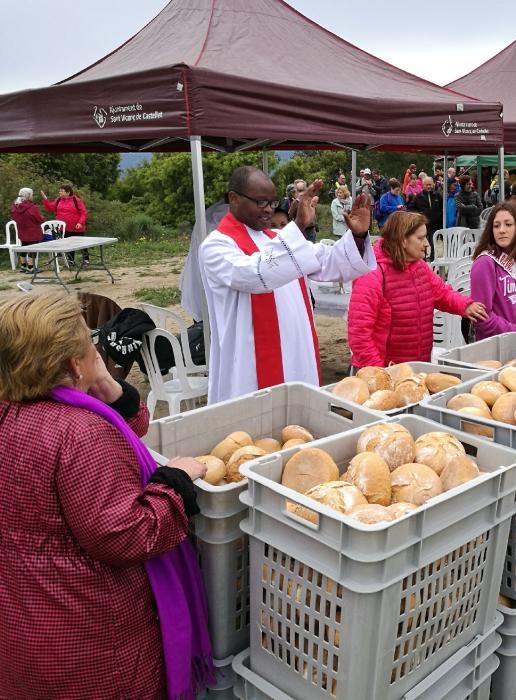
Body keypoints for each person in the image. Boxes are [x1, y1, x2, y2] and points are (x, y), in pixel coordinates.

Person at [0, 292, 213, 699]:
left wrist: (110, 388)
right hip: (90, 638)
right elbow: (126, 536)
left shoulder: (15, 410)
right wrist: (175, 484)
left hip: (23, 622)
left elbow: (124, 429)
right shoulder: (80, 432)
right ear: (73, 362)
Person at [199, 166, 375, 403]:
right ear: (234, 198)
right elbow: (256, 273)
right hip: (250, 362)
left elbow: (330, 261)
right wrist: (298, 227)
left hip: (295, 352)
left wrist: (358, 236)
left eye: (272, 203)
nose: (269, 210)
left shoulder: (276, 239)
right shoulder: (216, 246)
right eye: (261, 203)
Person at [347, 212, 485, 367]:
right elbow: (359, 334)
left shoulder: (420, 267)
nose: (426, 243)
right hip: (384, 371)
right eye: (420, 238)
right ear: (403, 240)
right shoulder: (372, 275)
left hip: (418, 366)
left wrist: (466, 306)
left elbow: (443, 293)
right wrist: (378, 371)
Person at [469, 202, 516, 340]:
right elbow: (481, 316)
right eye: (496, 226)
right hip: (495, 345)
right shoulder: (485, 263)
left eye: (508, 224)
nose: (501, 230)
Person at [41, 183, 88, 266]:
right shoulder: (59, 200)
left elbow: (83, 213)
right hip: (63, 228)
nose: (59, 193)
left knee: (81, 243)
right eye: (59, 191)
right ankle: (71, 261)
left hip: (76, 227)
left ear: (68, 192)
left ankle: (86, 259)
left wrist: (80, 223)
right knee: (69, 244)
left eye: (61, 191)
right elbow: (51, 208)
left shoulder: (76, 200)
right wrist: (45, 200)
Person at [9, 187, 44, 272]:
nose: (32, 196)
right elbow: (40, 219)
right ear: (28, 196)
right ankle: (31, 267)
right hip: (33, 230)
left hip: (22, 230)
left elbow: (13, 217)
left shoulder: (15, 206)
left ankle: (23, 265)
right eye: (32, 194)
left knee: (24, 246)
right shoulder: (32, 207)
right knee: (33, 248)